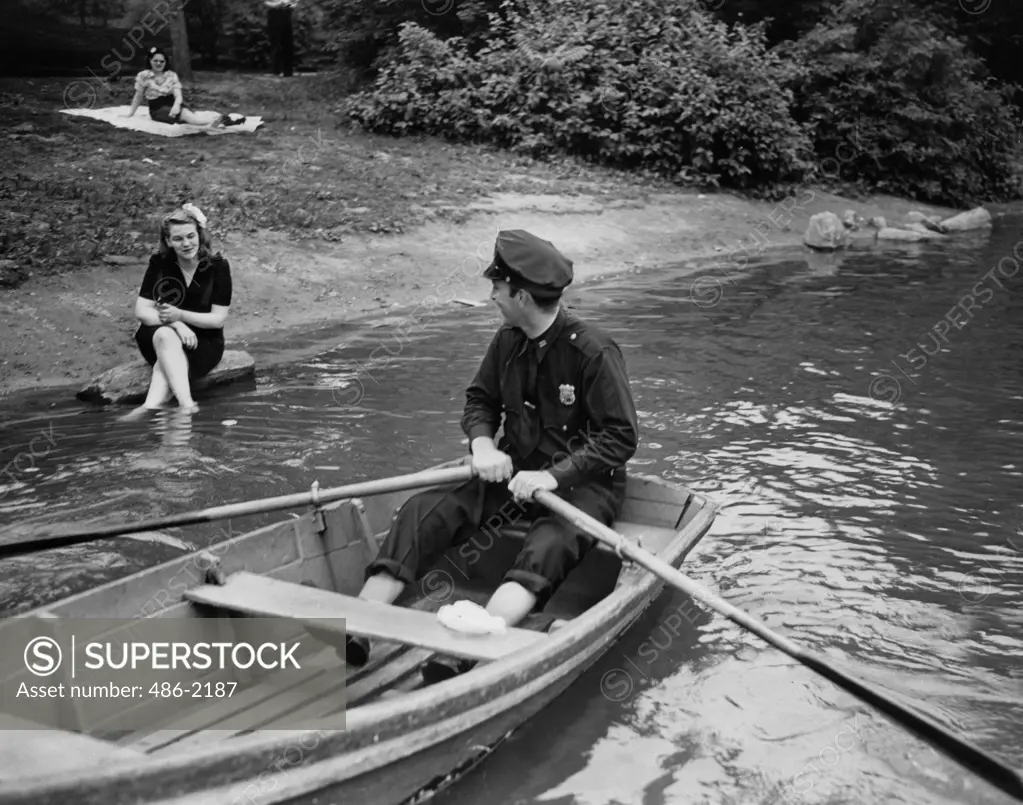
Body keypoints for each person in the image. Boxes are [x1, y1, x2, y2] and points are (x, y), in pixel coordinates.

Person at [345, 229, 639, 683]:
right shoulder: (508, 339)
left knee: (548, 544)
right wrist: (482, 445)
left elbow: (619, 438)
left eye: (497, 289)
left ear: (521, 295)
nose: (491, 297)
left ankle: (471, 645)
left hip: (580, 488)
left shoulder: (593, 351)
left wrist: (555, 477)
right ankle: (358, 623)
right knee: (426, 509)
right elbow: (481, 400)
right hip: (511, 472)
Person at [127, 203, 233, 415]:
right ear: (168, 241)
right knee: (167, 335)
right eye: (178, 239)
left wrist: (181, 315)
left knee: (167, 355)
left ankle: (150, 406)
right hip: (158, 334)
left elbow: (217, 319)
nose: (186, 243)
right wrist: (177, 323)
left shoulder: (217, 266)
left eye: (190, 236)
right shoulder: (160, 263)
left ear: (199, 235)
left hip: (203, 342)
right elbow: (142, 311)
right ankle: (187, 405)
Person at [126, 47, 240, 127]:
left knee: (187, 114)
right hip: (157, 108)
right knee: (187, 117)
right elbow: (138, 96)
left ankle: (220, 120)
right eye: (155, 61)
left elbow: (178, 95)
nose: (159, 63)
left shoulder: (171, 75)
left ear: (165, 62)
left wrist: (176, 106)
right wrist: (131, 113)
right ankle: (220, 121)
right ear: (150, 61)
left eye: (162, 61)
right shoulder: (143, 76)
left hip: (174, 104)